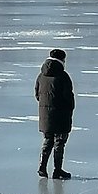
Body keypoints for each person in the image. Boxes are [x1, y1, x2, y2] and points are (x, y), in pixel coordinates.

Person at [35, 48, 75, 179]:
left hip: (45, 115)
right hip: (61, 115)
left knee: (47, 140)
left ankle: (42, 167)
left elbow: (37, 95)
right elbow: (68, 97)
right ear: (62, 59)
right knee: (59, 142)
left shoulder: (41, 76)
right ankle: (57, 170)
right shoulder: (63, 76)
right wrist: (70, 109)